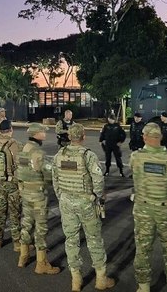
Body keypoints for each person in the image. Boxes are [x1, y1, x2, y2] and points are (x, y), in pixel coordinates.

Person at [52, 124, 115, 291]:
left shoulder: (60, 155)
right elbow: (98, 179)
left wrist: (62, 197)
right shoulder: (88, 155)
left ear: (69, 136)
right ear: (83, 136)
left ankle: (76, 280)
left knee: (71, 240)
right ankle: (101, 279)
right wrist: (97, 196)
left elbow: (55, 180)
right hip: (86, 202)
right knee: (94, 239)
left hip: (66, 202)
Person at [130, 122, 167, 292]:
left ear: (144, 136)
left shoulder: (136, 157)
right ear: (160, 137)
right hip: (166, 210)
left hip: (143, 210)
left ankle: (144, 286)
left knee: (143, 250)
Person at [16, 123, 60, 275]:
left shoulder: (23, 149)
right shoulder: (38, 153)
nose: (45, 134)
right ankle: (41, 263)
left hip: (25, 192)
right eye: (43, 132)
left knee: (26, 223)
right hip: (38, 194)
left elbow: (20, 171)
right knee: (41, 228)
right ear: (36, 134)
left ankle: (23, 256)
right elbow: (49, 175)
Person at [0, 119, 22, 250]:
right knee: (14, 214)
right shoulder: (15, 144)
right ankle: (17, 243)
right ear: (11, 130)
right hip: (11, 184)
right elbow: (21, 165)